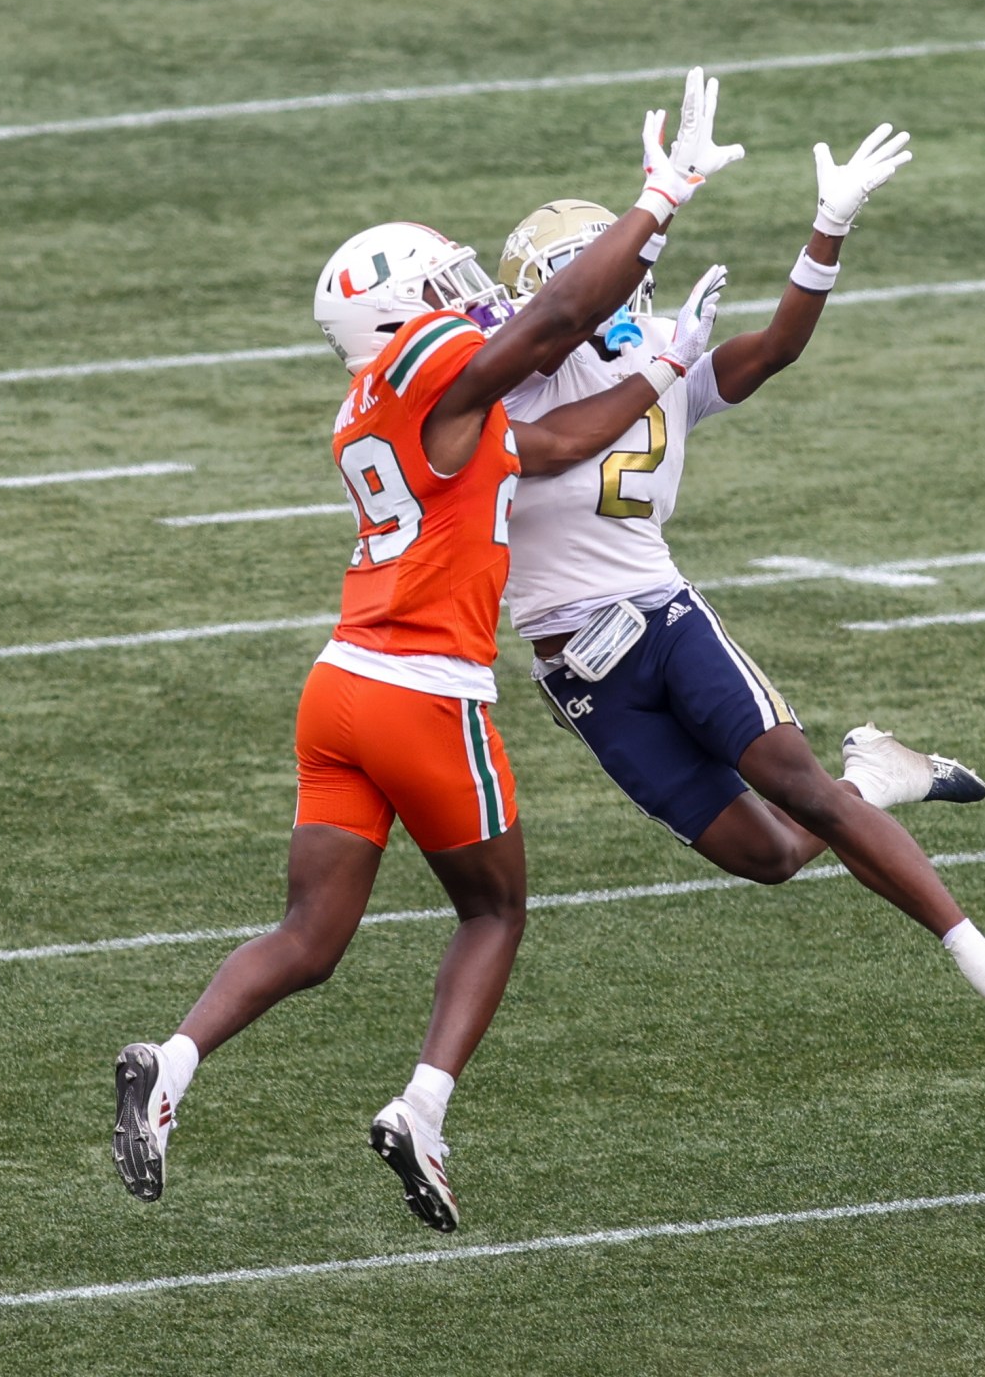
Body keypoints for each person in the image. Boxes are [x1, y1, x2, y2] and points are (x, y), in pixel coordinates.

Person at [112, 70, 744, 1234]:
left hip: (340, 685)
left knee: (311, 935)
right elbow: (552, 325)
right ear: (404, 310)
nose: (465, 290)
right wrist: (656, 200)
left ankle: (176, 1063)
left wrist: (665, 366)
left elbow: (549, 440)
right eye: (440, 282)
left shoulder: (376, 403)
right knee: (493, 912)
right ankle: (421, 1107)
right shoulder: (425, 376)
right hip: (426, 694)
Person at [497, 122, 985, 1036]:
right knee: (769, 855)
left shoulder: (661, 356)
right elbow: (549, 397)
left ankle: (980, 954)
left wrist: (827, 227)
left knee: (800, 787)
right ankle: (878, 775)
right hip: (578, 674)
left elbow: (776, 349)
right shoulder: (503, 389)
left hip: (665, 620)